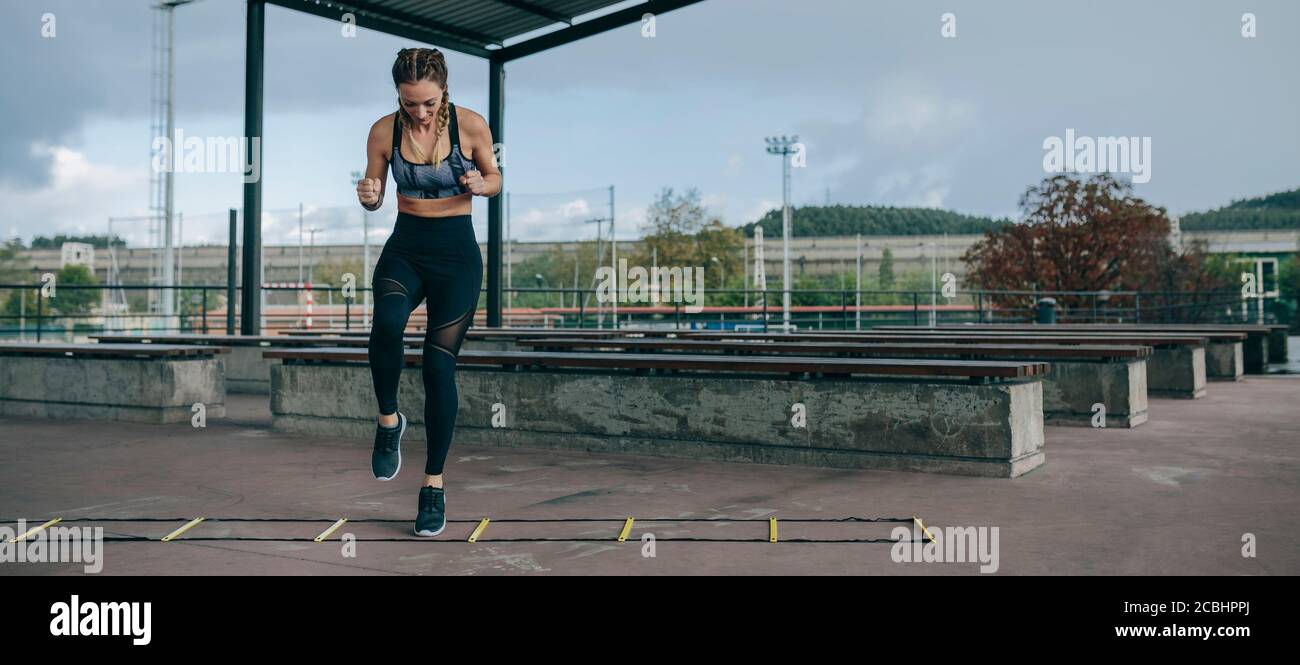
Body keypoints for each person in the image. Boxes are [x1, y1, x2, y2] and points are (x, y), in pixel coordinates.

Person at [355, 47, 500, 537]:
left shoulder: (471, 126)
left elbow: (496, 178)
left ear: (444, 91)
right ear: (398, 94)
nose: (419, 112)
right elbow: (374, 191)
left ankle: (433, 485)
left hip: (456, 254)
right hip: (407, 246)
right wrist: (371, 197)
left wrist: (484, 183)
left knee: (439, 364)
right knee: (388, 323)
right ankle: (389, 421)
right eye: (409, 102)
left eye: (428, 103)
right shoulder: (382, 131)